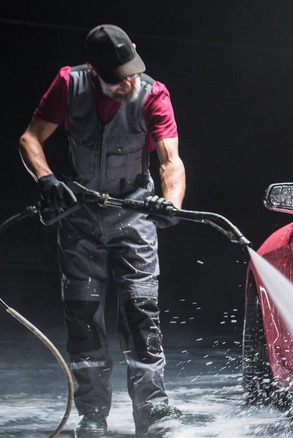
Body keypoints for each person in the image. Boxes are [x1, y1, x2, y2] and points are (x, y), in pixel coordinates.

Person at [18, 24, 186, 436]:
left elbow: (170, 161)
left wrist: (171, 203)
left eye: (131, 69)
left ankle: (153, 410)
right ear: (93, 69)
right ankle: (92, 413)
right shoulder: (68, 84)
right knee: (83, 316)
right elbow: (30, 138)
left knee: (141, 312)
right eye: (116, 76)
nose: (127, 80)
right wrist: (46, 180)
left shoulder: (153, 94)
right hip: (80, 218)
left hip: (135, 216)